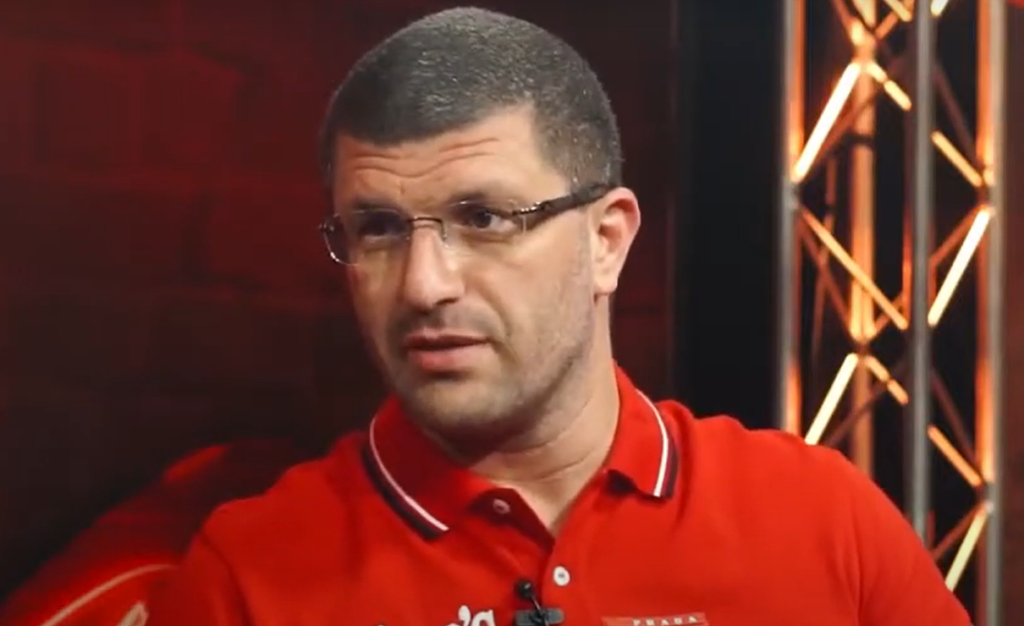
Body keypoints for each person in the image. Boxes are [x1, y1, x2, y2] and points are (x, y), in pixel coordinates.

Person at [146, 7, 971, 626]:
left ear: (606, 241)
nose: (423, 286)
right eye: (380, 229)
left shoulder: (821, 522)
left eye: (484, 219)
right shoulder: (247, 576)